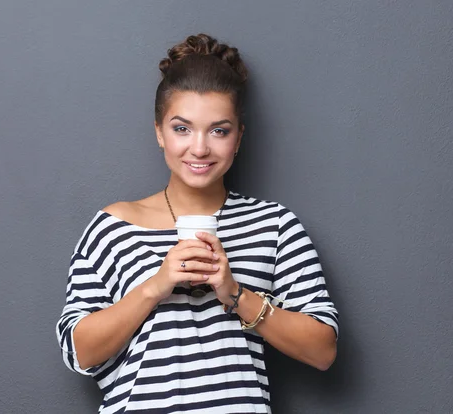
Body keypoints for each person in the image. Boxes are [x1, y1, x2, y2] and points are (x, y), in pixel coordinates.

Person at [56, 33, 339, 413]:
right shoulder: (113, 226)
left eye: (219, 130)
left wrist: (236, 293)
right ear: (159, 131)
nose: (200, 148)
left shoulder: (275, 226)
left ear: (238, 138)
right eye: (182, 128)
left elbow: (323, 350)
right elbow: (79, 352)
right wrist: (156, 285)